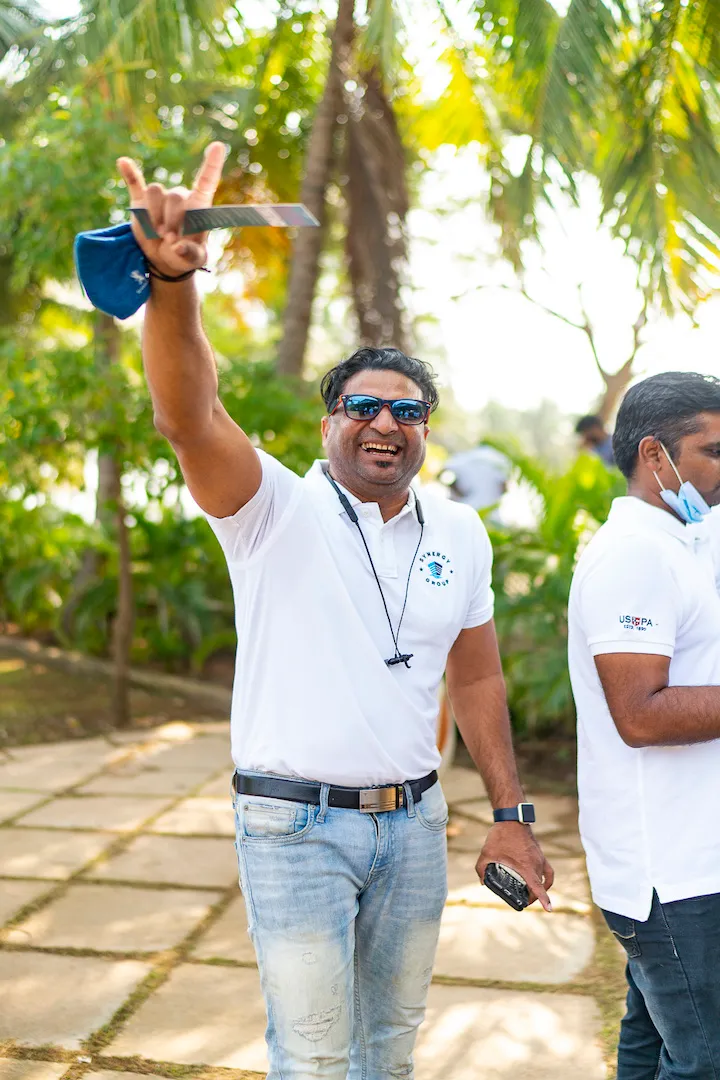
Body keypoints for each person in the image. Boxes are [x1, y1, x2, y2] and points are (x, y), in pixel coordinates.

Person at [115, 142, 553, 1079]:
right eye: (363, 406)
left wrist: (509, 812)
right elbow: (188, 418)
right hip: (294, 829)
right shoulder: (271, 507)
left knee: (389, 1054)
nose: (386, 423)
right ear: (329, 425)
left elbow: (477, 676)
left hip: (415, 826)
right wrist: (172, 285)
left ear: (426, 431)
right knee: (316, 1060)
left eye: (409, 411)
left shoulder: (461, 531)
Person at [568, 370, 720, 1079]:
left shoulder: (682, 543)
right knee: (703, 1061)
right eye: (713, 451)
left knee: (650, 1044)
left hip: (691, 857)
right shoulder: (634, 554)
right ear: (654, 455)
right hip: (669, 871)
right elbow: (640, 714)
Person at [442, 444, 511, 519]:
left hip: (464, 507)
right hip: (486, 513)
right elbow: (504, 488)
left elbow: (445, 471)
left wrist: (457, 491)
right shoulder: (502, 461)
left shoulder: (470, 455)